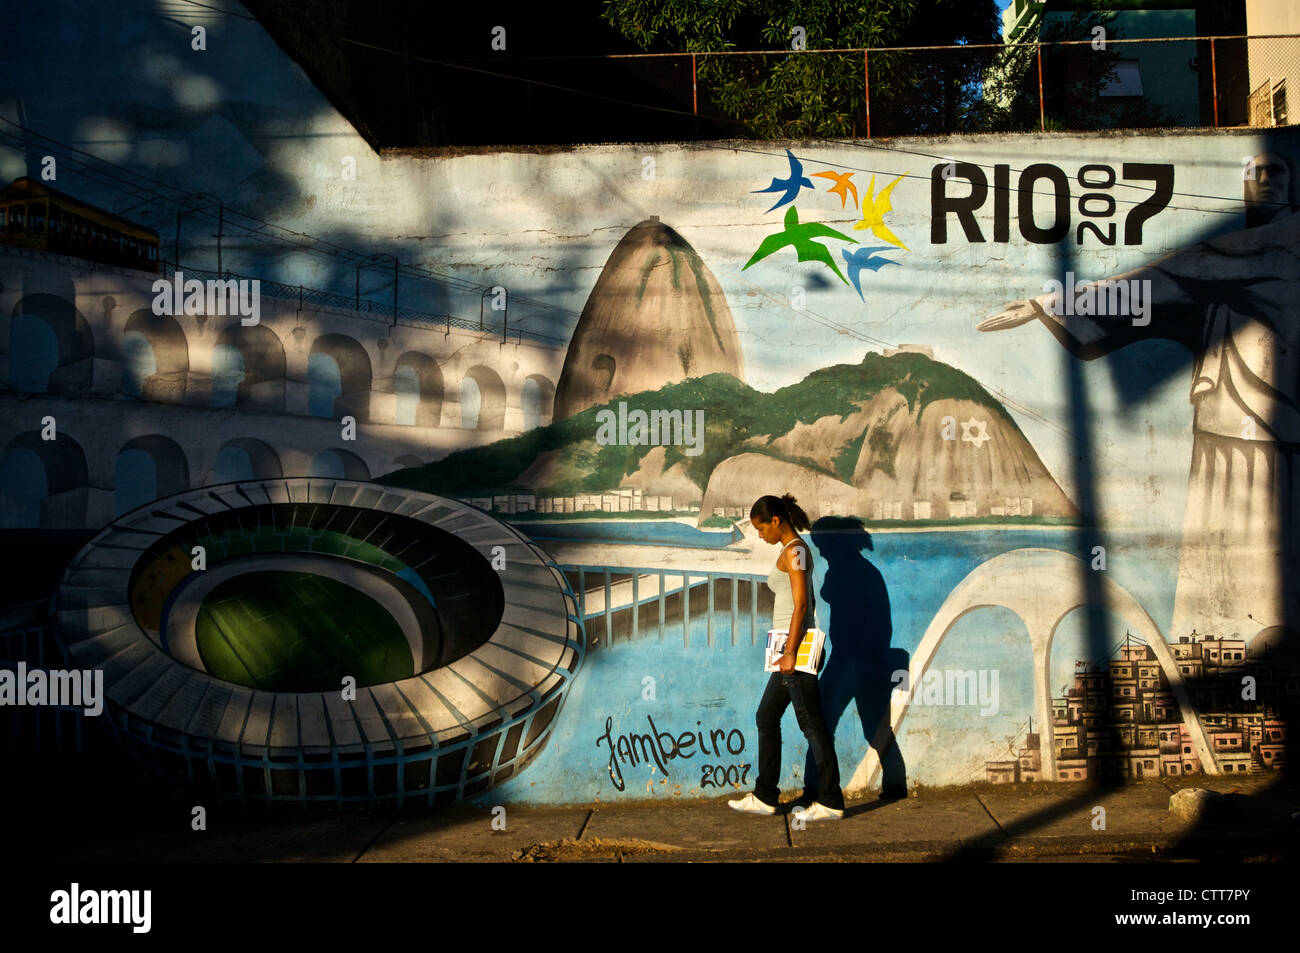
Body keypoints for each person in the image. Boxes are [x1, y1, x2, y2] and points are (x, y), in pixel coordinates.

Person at [977, 151, 1300, 643]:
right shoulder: (1224, 252)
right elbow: (1158, 284)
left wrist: (1049, 301)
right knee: (1222, 524)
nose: (1263, 182)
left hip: (1274, 409)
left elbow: (1173, 273)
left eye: (1274, 172)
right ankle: (1218, 640)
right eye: (1252, 174)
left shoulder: (1276, 247)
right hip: (1225, 408)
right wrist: (1044, 303)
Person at [729, 493, 845, 821]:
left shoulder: (795, 551)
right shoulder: (790, 550)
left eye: (761, 527)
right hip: (785, 651)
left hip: (795, 652)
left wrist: (791, 652)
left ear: (776, 521)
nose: (759, 534)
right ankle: (765, 797)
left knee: (812, 726)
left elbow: (801, 605)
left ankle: (831, 800)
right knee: (767, 717)